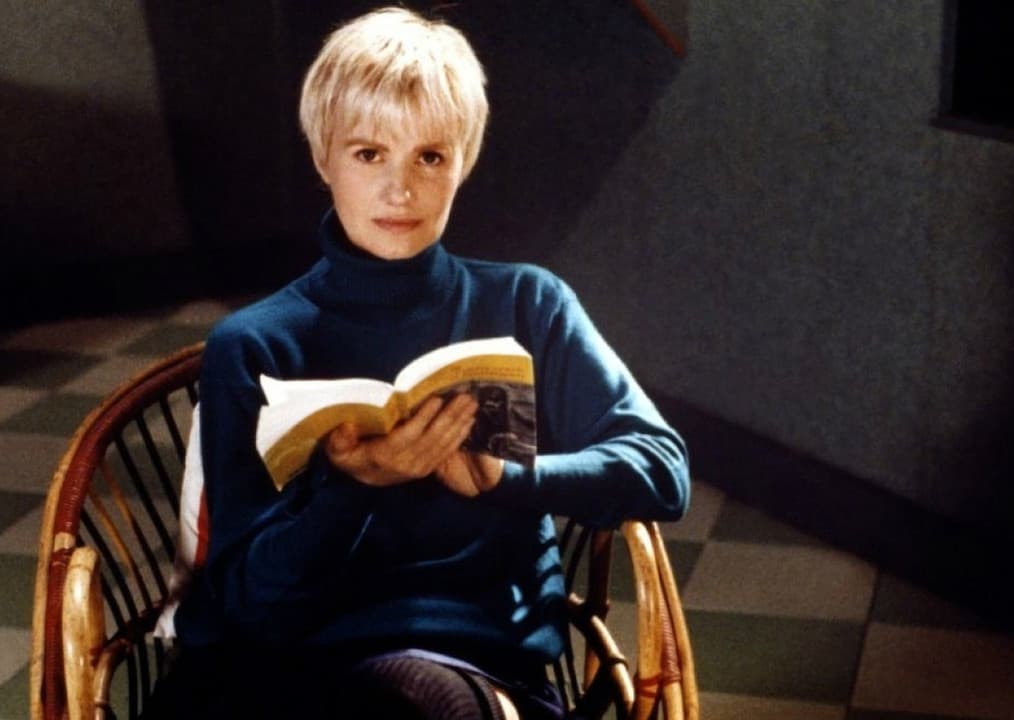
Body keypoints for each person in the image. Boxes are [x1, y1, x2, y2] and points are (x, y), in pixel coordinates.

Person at [147, 7, 689, 719]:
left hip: (468, 671)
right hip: (292, 662)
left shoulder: (528, 305)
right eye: (369, 154)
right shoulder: (253, 344)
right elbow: (247, 600)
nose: (399, 189)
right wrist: (351, 486)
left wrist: (506, 477)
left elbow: (661, 469)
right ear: (323, 160)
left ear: (464, 162)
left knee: (402, 700)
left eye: (429, 157)